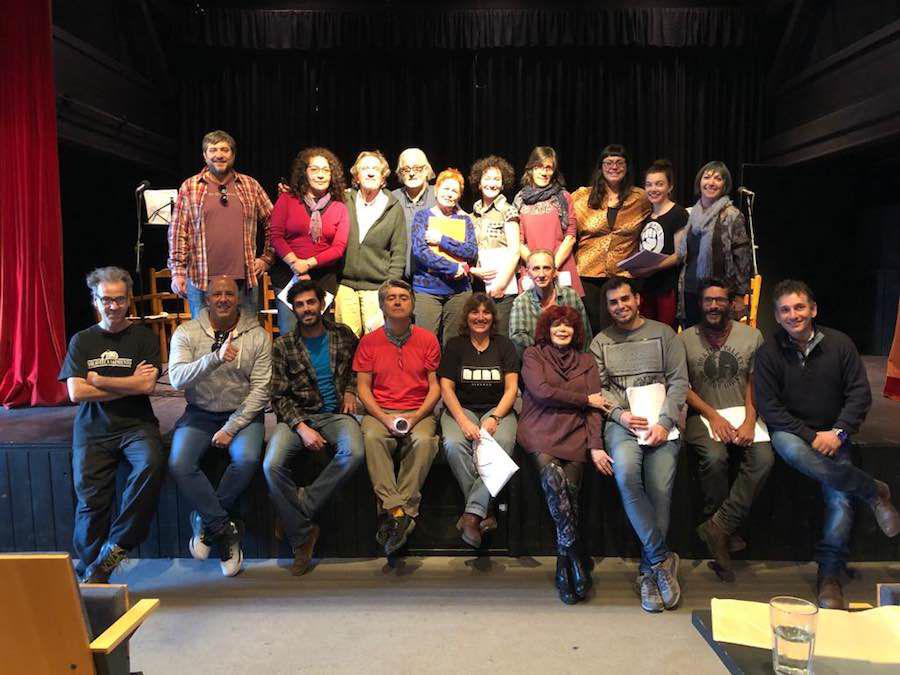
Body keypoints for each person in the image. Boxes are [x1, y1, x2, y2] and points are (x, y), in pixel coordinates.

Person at [755, 279, 900, 609]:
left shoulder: (840, 344)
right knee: (792, 450)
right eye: (785, 310)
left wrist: (839, 433)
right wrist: (811, 436)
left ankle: (830, 577)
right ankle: (873, 491)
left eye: (800, 307)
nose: (794, 315)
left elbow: (859, 395)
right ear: (777, 316)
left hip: (836, 433)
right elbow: (769, 407)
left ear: (813, 309)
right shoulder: (768, 354)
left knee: (840, 501)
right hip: (793, 432)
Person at [58, 267, 164, 583]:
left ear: (129, 300)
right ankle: (93, 570)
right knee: (90, 503)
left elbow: (147, 388)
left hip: (136, 426)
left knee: (151, 465)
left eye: (119, 299)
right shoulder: (83, 341)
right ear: (95, 300)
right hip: (93, 430)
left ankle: (116, 547)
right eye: (106, 300)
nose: (113, 306)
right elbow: (77, 392)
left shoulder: (144, 338)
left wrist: (101, 379)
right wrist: (128, 382)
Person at [590, 277, 688, 613]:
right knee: (626, 476)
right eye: (613, 302)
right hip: (623, 426)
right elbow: (598, 389)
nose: (620, 307)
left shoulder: (665, 335)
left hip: (663, 425)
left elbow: (679, 383)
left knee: (660, 489)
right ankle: (661, 560)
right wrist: (619, 415)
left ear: (637, 299)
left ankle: (648, 572)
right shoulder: (600, 342)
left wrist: (665, 422)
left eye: (625, 299)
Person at [167, 276, 272, 577]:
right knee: (179, 462)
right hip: (199, 413)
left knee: (248, 459)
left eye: (229, 293)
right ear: (207, 299)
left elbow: (261, 390)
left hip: (242, 415)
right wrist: (214, 359)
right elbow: (176, 380)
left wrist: (232, 426)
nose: (223, 299)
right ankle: (224, 530)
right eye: (217, 294)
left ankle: (206, 520)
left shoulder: (258, 336)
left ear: (238, 298)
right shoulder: (186, 333)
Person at [263, 280, 365, 576]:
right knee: (271, 465)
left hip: (335, 415)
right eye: (300, 305)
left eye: (311, 302)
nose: (306, 309)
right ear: (293, 309)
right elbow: (277, 397)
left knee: (354, 453)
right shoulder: (283, 346)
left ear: (322, 304)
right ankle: (303, 533)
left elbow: (358, 369)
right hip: (297, 418)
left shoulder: (343, 335)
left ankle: (299, 509)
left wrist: (350, 390)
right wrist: (302, 428)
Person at [679, 278, 773, 582]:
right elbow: (683, 387)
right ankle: (722, 530)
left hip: (744, 412)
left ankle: (720, 525)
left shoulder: (752, 336)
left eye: (720, 300)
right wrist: (712, 416)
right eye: (708, 300)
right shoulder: (685, 339)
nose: (714, 306)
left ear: (731, 303)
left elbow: (753, 381)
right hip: (702, 416)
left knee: (764, 458)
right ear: (700, 304)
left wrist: (749, 420)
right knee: (715, 457)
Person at [518, 306, 610, 604]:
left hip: (575, 433)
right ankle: (574, 556)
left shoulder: (587, 361)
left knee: (570, 493)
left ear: (576, 331)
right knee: (556, 482)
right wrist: (583, 399)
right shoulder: (534, 355)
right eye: (556, 324)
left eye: (568, 325)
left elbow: (597, 409)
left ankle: (564, 561)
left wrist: (596, 444)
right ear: (547, 327)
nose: (562, 329)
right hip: (539, 429)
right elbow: (542, 392)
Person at [353, 279, 441, 556]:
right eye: (391, 298)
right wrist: (384, 418)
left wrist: (415, 418)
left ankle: (397, 513)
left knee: (426, 441)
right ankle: (398, 510)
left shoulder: (428, 339)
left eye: (404, 297)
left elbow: (435, 386)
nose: (398, 301)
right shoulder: (369, 342)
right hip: (380, 412)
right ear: (382, 306)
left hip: (418, 410)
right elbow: (363, 389)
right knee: (372, 437)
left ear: (413, 304)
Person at [439, 294, 519, 548]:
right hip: (460, 408)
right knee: (453, 445)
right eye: (475, 312)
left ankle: (471, 515)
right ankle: (485, 509)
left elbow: (511, 389)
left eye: (486, 313)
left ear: (493, 318)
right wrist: (462, 422)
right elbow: (446, 389)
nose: (481, 317)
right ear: (467, 317)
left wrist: (496, 417)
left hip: (498, 408)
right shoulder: (455, 345)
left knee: (503, 443)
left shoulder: (504, 345)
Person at [168, 130, 274, 317]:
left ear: (233, 154)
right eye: (213, 150)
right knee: (204, 340)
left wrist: (266, 258)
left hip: (244, 280)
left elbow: (274, 222)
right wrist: (177, 271)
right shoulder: (190, 186)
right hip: (201, 280)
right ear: (204, 155)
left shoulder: (250, 185)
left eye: (225, 149)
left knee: (246, 338)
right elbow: (178, 232)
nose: (219, 154)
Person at [572, 144, 651, 332]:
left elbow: (662, 213)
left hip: (623, 274)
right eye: (608, 163)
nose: (614, 167)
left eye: (619, 163)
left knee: (623, 326)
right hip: (587, 274)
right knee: (593, 327)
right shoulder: (582, 197)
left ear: (627, 167)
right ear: (601, 167)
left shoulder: (641, 198)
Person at [269, 147, 348, 335]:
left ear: (332, 175)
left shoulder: (340, 206)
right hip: (288, 275)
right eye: (314, 169)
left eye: (325, 170)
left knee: (321, 334)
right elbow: (276, 236)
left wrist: (308, 264)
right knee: (290, 332)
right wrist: (296, 264)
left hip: (322, 278)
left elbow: (338, 248)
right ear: (304, 173)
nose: (320, 175)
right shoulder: (287, 199)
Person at [335, 150, 407, 337]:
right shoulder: (344, 200)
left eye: (375, 169)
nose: (370, 172)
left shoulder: (393, 207)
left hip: (377, 288)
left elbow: (398, 253)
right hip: (345, 285)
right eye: (364, 168)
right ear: (356, 176)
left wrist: (389, 291)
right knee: (346, 341)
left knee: (376, 341)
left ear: (383, 178)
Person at [676, 161, 752, 327]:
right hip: (689, 289)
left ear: (724, 184)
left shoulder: (732, 215)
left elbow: (743, 259)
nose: (711, 182)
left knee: (718, 340)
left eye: (717, 179)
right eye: (707, 177)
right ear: (699, 182)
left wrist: (740, 295)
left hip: (719, 294)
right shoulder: (690, 214)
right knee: (692, 340)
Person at [410, 167, 477, 344]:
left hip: (458, 291)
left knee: (454, 344)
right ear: (436, 189)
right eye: (446, 188)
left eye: (454, 191)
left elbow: (471, 251)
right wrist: (452, 267)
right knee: (424, 343)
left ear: (459, 196)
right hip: (427, 290)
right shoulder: (422, 217)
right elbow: (420, 251)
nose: (449, 194)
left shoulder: (465, 220)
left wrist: (441, 239)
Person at [623, 159, 688, 328]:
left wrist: (652, 268)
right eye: (649, 184)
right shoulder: (646, 217)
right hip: (645, 287)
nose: (653, 189)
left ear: (670, 187)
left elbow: (680, 254)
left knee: (665, 333)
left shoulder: (678, 214)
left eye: (659, 184)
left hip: (666, 287)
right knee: (646, 333)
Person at [513, 146, 584, 297]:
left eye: (548, 168)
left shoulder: (563, 197)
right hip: (531, 272)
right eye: (539, 167)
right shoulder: (520, 199)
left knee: (565, 318)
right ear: (530, 169)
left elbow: (570, 236)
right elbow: (517, 241)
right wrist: (537, 268)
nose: (544, 172)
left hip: (560, 268)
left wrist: (551, 267)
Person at [467, 155, 520, 336]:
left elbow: (515, 252)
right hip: (476, 286)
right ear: (479, 183)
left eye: (497, 179)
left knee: (500, 335)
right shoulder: (470, 216)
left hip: (502, 287)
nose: (492, 183)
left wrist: (501, 285)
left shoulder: (508, 210)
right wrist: (473, 271)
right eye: (487, 178)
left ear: (503, 184)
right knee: (477, 334)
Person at [509, 249, 591, 358]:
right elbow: (517, 338)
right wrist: (549, 355)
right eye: (536, 268)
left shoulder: (571, 296)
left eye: (546, 268)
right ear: (528, 272)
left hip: (571, 360)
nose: (541, 274)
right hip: (538, 362)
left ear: (555, 272)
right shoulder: (520, 303)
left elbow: (585, 334)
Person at [392, 148, 437, 278]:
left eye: (417, 168)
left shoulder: (440, 195)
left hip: (432, 280)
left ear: (427, 170)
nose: (411, 173)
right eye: (406, 169)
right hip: (399, 278)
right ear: (400, 173)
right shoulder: (392, 198)